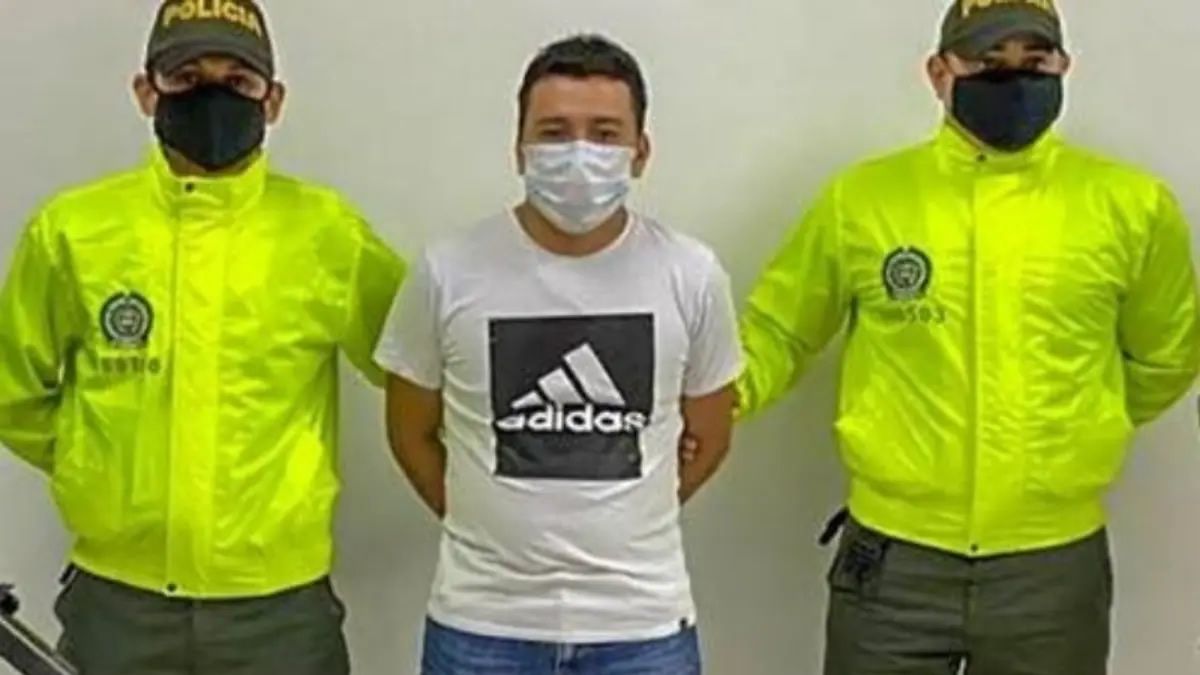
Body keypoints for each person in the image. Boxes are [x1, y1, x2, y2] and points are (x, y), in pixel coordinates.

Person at [733, 1, 1200, 673]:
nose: (1014, 80)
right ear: (939, 72)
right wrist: (700, 409)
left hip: (1051, 568)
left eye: (1034, 62)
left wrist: (1076, 427)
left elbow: (1168, 353)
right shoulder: (863, 201)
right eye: (988, 63)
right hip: (893, 562)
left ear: (1064, 67)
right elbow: (779, 331)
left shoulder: (1133, 207)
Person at [0, 2, 405, 673]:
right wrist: (93, 467)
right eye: (186, 78)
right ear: (146, 91)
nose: (212, 97)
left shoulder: (328, 234)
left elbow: (418, 368)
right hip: (116, 604)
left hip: (278, 610)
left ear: (272, 101)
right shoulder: (72, 231)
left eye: (238, 81)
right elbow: (11, 390)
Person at [374, 34, 742, 675]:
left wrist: (632, 516)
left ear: (640, 152)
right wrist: (486, 528)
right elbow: (410, 432)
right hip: (480, 626)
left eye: (605, 133)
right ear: (518, 149)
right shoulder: (446, 271)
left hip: (643, 628)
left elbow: (709, 436)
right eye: (554, 132)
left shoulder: (692, 274)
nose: (579, 153)